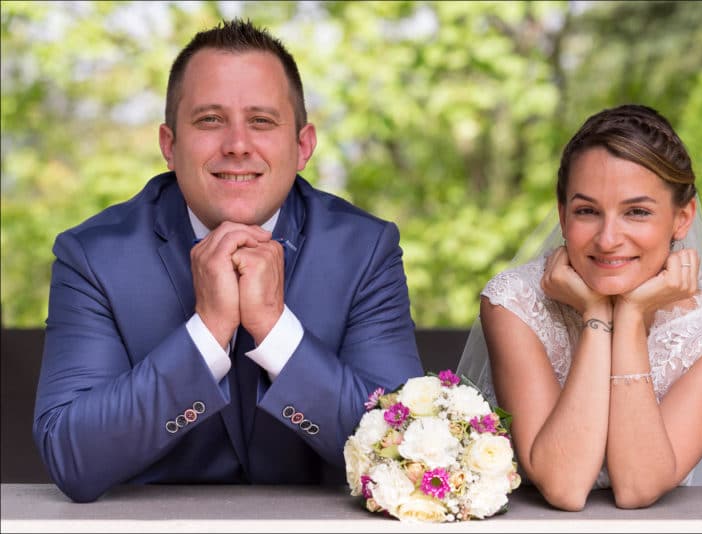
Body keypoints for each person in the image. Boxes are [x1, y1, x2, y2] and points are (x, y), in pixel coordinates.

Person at [33, 18, 423, 503]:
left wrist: (277, 331)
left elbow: (409, 456)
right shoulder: (93, 256)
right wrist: (208, 331)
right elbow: (72, 457)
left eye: (261, 121)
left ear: (302, 145)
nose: (237, 144)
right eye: (210, 120)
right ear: (169, 146)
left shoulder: (365, 250)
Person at [457, 104, 702, 511]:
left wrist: (632, 317)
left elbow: (638, 487)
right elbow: (563, 486)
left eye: (637, 212)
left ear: (682, 218)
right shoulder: (513, 303)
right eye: (587, 211)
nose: (608, 239)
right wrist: (597, 315)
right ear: (563, 215)